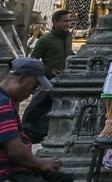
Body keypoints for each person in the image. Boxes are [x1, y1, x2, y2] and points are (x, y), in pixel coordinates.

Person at [0, 57, 72, 182]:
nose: (33, 92)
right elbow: (14, 151)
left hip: (6, 170)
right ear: (21, 79)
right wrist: (40, 163)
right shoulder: (0, 105)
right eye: (33, 86)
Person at [22, 11, 73, 143]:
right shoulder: (45, 40)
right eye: (65, 21)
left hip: (65, 82)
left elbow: (69, 55)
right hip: (48, 83)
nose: (68, 24)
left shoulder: (68, 38)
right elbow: (33, 60)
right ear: (55, 22)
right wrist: (48, 70)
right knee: (39, 108)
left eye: (69, 21)